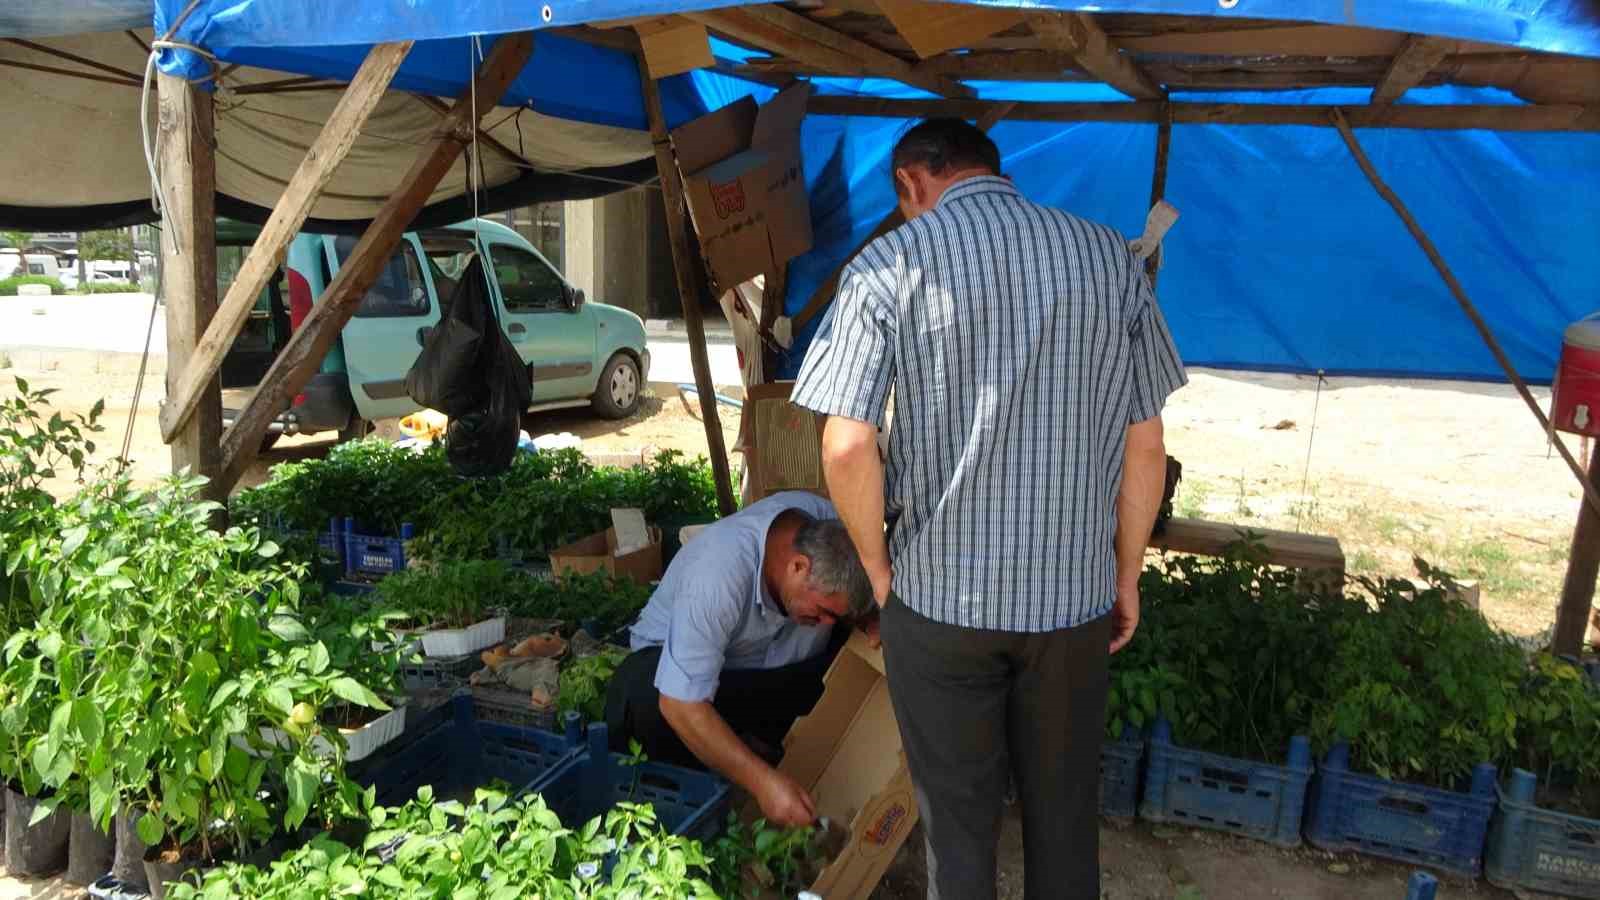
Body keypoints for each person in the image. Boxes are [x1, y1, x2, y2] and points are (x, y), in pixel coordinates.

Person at [791, 118, 1187, 899]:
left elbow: (845, 446)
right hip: (1072, 607)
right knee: (1065, 825)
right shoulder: (1110, 260)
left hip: (940, 608)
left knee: (959, 834)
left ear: (911, 183)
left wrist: (877, 570)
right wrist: (1127, 576)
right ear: (993, 170)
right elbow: (1147, 447)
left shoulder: (890, 264)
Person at [604, 490, 876, 827]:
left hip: (768, 670)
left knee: (846, 649)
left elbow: (856, 591)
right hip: (693, 680)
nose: (825, 622)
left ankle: (759, 743)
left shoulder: (831, 527)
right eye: (821, 612)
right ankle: (722, 772)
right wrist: (763, 783)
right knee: (644, 700)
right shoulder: (718, 575)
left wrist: (865, 618)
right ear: (798, 567)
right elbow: (680, 703)